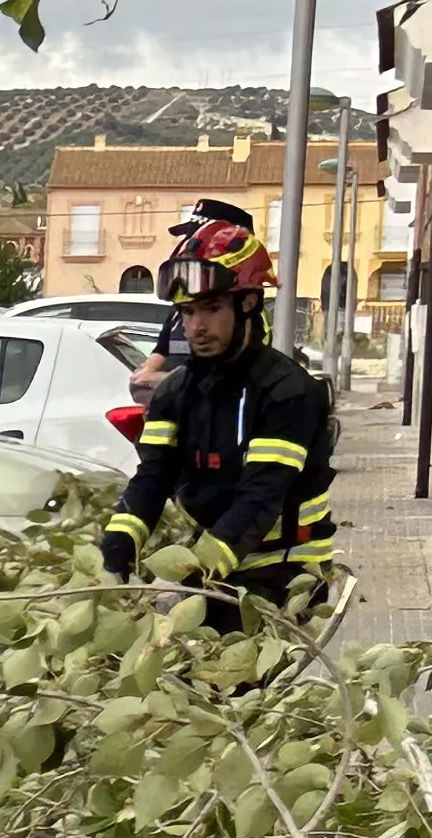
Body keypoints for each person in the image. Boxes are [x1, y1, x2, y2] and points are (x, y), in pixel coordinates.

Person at [102, 217, 335, 623]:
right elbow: (153, 477)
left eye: (210, 308)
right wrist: (116, 549)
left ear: (247, 304)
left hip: (282, 572)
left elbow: (262, 496)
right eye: (188, 312)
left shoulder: (287, 390)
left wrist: (199, 569)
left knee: (233, 682)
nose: (196, 326)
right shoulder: (175, 392)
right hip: (214, 568)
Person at [130, 200, 254, 405]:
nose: (188, 247)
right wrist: (148, 376)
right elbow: (159, 354)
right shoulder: (180, 306)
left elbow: (232, 378)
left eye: (199, 239)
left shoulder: (246, 314)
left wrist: (163, 381)